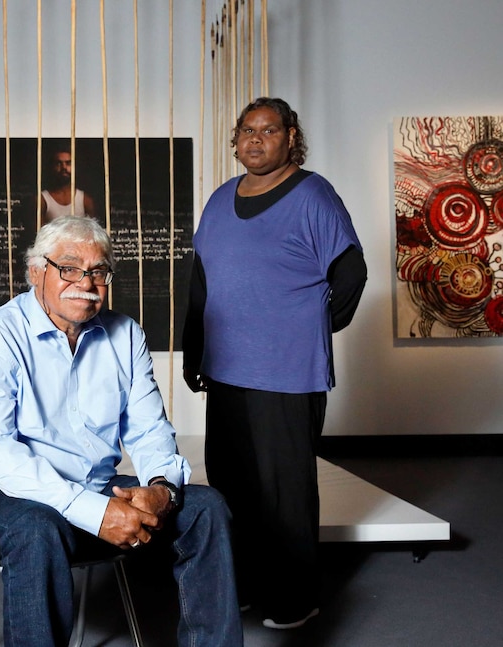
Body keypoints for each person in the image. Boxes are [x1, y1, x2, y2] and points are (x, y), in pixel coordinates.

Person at [0, 215, 243, 646]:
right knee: (37, 529)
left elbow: (150, 430)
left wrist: (161, 488)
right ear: (36, 272)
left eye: (98, 271)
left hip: (95, 486)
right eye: (69, 268)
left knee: (204, 507)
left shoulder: (125, 334)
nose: (85, 283)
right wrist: (95, 512)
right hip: (3, 493)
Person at [183, 97, 367, 630]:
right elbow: (202, 284)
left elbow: (351, 273)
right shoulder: (219, 200)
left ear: (291, 137)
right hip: (225, 369)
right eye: (246, 130)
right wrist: (195, 348)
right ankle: (242, 586)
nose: (255, 140)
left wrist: (312, 328)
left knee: (283, 490)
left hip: (286, 373)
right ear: (236, 139)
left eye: (268, 130)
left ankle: (294, 596)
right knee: (231, 484)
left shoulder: (313, 194)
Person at [38, 145, 98, 222]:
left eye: (68, 163)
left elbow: (92, 231)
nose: (64, 167)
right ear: (52, 167)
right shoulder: (42, 200)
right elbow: (39, 233)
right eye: (59, 163)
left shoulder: (85, 200)